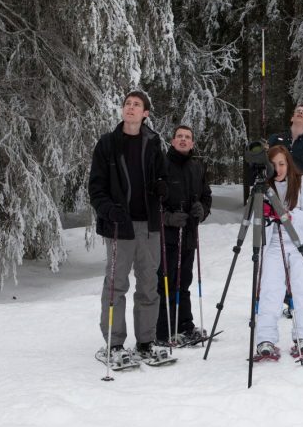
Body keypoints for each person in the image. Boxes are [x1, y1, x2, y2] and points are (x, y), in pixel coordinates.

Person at [89, 90, 170, 367]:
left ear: (146, 113)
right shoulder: (108, 144)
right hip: (118, 227)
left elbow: (164, 178)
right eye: (127, 104)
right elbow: (96, 188)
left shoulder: (153, 142)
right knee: (116, 286)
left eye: (137, 105)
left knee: (149, 285)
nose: (131, 108)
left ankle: (146, 341)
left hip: (149, 226)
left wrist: (162, 187)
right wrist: (109, 210)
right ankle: (114, 344)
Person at [253, 145, 303, 360]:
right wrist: (264, 212)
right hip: (275, 243)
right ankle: (265, 339)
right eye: (273, 165)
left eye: (282, 164)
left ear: (289, 163)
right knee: (270, 291)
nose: (278, 169)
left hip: (300, 242)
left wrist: (287, 215)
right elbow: (256, 217)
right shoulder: (263, 186)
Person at [157, 125, 212, 346]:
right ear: (172, 141)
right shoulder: (162, 164)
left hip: (188, 234)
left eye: (187, 137)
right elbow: (152, 201)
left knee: (185, 281)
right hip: (166, 237)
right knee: (166, 283)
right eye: (179, 136)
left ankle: (184, 324)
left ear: (192, 143)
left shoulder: (197, 167)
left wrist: (202, 211)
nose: (183, 140)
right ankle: (164, 329)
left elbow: (206, 196)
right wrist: (167, 218)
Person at [268, 104, 303, 197]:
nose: (300, 112)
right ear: (292, 118)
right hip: (273, 194)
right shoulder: (275, 139)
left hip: (298, 197)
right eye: (298, 110)